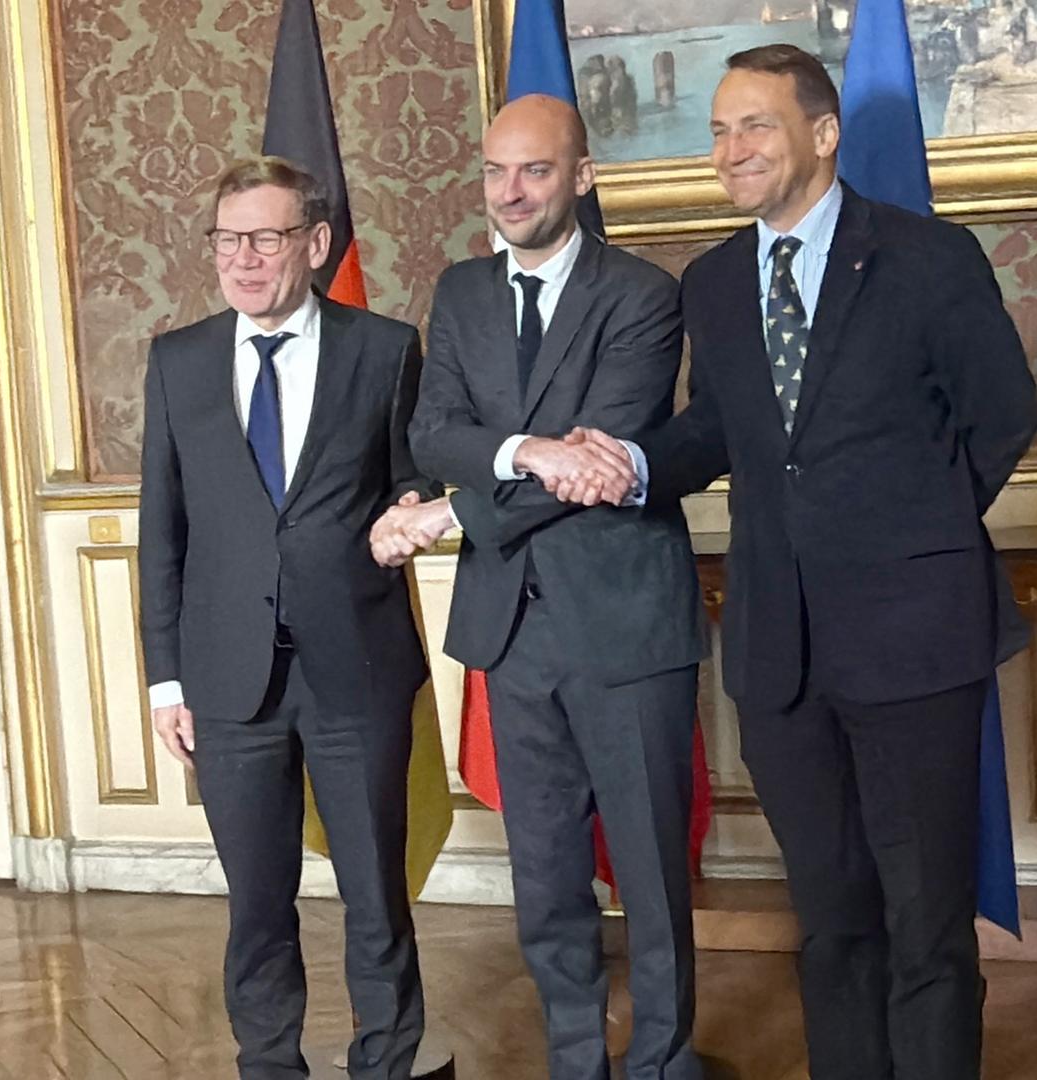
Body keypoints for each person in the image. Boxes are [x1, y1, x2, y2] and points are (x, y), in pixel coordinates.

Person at [557, 45, 1037, 1079]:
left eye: (756, 126)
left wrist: (911, 541)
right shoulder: (718, 281)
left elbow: (1004, 417)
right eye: (720, 129)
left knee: (926, 925)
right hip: (782, 654)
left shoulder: (926, 257)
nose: (731, 149)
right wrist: (634, 463)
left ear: (822, 134)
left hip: (915, 641)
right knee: (830, 919)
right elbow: (722, 429)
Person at [380, 93, 708, 1080]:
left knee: (649, 871)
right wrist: (526, 448)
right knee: (547, 875)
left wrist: (449, 514)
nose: (509, 192)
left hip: (627, 625)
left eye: (533, 170)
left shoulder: (644, 294)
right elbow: (433, 435)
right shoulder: (463, 291)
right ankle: (578, 1061)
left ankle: (660, 1060)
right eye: (494, 171)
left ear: (583, 176)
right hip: (512, 629)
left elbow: (602, 464)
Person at [137, 156, 441, 1080]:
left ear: (313, 244)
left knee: (374, 897)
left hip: (357, 668)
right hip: (228, 680)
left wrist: (417, 505)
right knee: (256, 905)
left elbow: (408, 480)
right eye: (227, 239)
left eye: (264, 238)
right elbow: (164, 530)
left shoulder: (384, 348)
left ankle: (383, 1066)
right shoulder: (178, 359)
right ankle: (269, 1065)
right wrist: (165, 678)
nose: (242, 259)